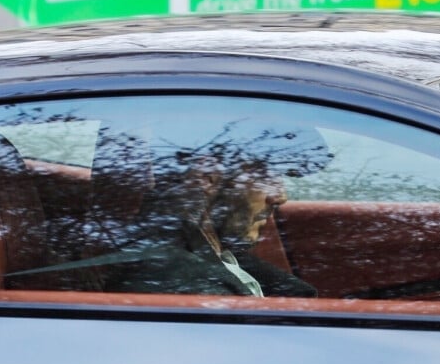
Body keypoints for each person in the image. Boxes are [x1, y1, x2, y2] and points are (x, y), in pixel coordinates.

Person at [103, 119, 332, 298]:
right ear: (207, 176)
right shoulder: (179, 287)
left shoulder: (213, 255)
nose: (280, 196)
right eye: (266, 174)